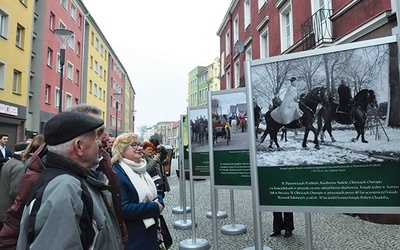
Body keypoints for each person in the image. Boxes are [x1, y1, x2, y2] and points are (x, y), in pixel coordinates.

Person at [0, 104, 128, 248]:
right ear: (78, 146)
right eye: (95, 137)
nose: (100, 143)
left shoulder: (75, 180)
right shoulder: (64, 188)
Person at [112, 133, 165, 250]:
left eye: (139, 144)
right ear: (121, 149)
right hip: (135, 238)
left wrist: (159, 202)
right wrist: (154, 207)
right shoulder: (118, 173)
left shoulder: (141, 168)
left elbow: (155, 193)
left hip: (152, 232)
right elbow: (123, 209)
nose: (140, 148)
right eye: (134, 145)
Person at [0, 142, 29, 230]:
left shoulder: (9, 162)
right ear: (24, 153)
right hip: (9, 208)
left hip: (3, 206)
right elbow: (15, 191)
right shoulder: (19, 166)